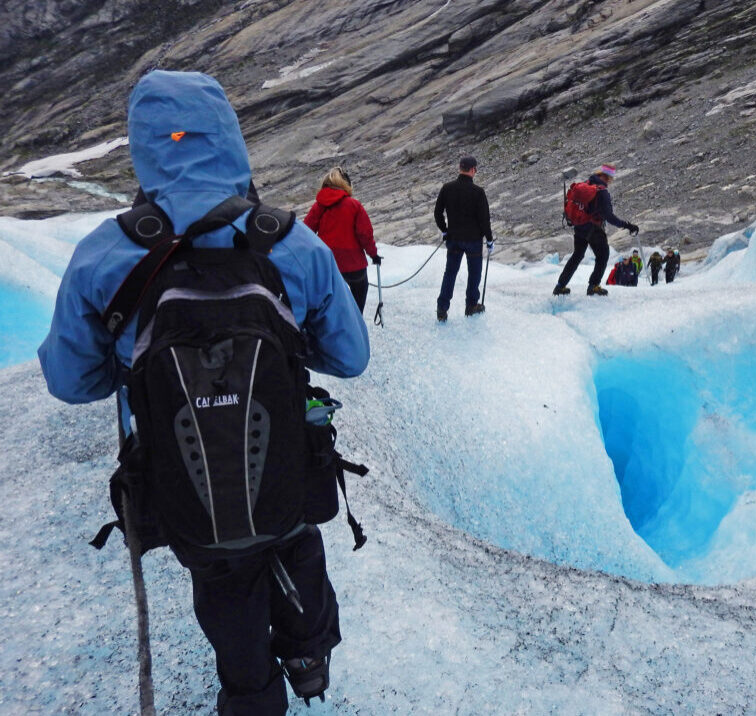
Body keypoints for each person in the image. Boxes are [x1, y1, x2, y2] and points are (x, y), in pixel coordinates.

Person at [37, 70, 370, 716]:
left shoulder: (106, 254)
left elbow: (70, 381)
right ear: (230, 140)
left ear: (144, 147)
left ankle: (250, 695)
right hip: (286, 463)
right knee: (296, 537)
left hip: (181, 478)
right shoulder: (287, 241)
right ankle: (308, 656)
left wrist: (135, 368)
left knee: (223, 576)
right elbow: (350, 357)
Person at [553, 164, 639, 297]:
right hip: (593, 227)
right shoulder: (601, 191)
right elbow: (609, 216)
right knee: (603, 254)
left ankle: (560, 286)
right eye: (610, 178)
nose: (610, 181)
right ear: (606, 177)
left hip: (579, 226)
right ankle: (594, 286)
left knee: (577, 255)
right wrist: (627, 225)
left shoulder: (586, 184)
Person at [304, 167, 380, 313]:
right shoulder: (354, 205)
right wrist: (374, 255)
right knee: (359, 299)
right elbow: (365, 234)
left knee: (330, 305)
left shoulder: (319, 206)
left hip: (328, 264)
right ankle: (355, 327)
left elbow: (306, 232)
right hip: (354, 265)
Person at [433, 155, 493, 321]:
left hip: (453, 238)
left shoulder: (447, 188)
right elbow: (484, 219)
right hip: (473, 241)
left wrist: (444, 230)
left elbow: (438, 212)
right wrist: (489, 239)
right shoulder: (478, 192)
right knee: (474, 274)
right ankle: (471, 305)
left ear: (460, 168)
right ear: (473, 170)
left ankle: (442, 308)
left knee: (450, 273)